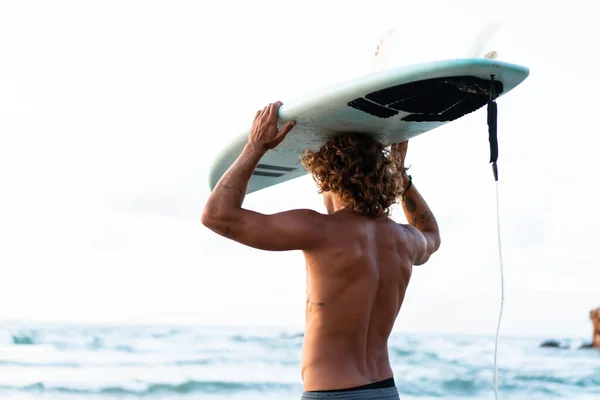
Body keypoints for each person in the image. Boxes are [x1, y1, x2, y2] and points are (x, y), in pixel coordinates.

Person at [202, 102, 441, 399]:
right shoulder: (405, 240)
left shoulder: (319, 229)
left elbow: (217, 216)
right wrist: (402, 178)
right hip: (385, 391)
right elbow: (431, 234)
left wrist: (256, 146)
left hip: (331, 393)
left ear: (328, 179)